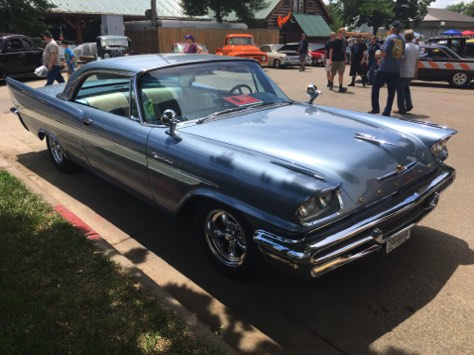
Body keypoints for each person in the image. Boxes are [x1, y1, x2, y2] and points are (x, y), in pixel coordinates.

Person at [369, 21, 405, 116]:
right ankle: (387, 110)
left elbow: (383, 54)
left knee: (376, 87)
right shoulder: (403, 40)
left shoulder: (389, 38)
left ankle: (375, 108)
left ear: (393, 29)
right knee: (391, 91)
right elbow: (402, 54)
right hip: (396, 69)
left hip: (385, 68)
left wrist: (377, 55)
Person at [395, 30, 419, 114]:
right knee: (406, 89)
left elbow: (399, 58)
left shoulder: (404, 47)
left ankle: (401, 108)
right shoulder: (416, 47)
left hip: (403, 71)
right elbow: (417, 62)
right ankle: (408, 105)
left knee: (400, 90)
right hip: (411, 71)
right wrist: (415, 73)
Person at [329, 28, 348, 93]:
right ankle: (331, 84)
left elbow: (345, 51)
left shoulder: (344, 41)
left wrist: (345, 59)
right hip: (334, 60)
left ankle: (340, 87)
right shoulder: (334, 41)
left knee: (341, 73)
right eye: (342, 32)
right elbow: (331, 51)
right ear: (339, 33)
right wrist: (330, 60)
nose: (342, 34)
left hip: (341, 60)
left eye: (343, 33)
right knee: (333, 74)